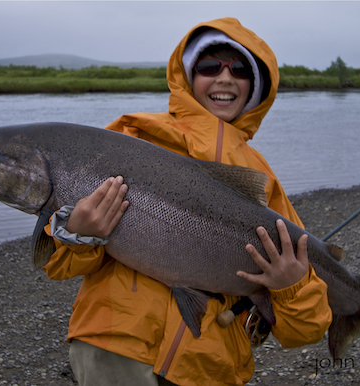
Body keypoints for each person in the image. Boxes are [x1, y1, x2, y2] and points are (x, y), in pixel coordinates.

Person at [42, 17, 332, 386]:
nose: (225, 79)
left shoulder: (263, 178)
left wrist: (289, 285)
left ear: (257, 86)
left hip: (209, 370)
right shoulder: (133, 135)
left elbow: (304, 331)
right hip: (114, 348)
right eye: (210, 66)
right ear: (188, 75)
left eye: (240, 70)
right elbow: (56, 264)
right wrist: (77, 233)